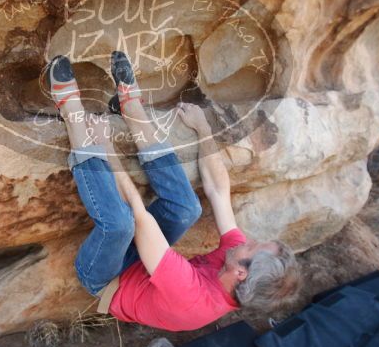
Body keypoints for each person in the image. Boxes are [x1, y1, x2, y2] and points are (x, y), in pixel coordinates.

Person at [47, 51, 301, 331]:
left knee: (121, 224)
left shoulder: (193, 298)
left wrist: (105, 146)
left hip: (107, 277)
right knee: (188, 209)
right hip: (147, 262)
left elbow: (138, 212)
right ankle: (131, 107)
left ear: (240, 273)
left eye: (251, 246)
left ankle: (72, 114)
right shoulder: (237, 262)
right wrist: (203, 128)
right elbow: (218, 190)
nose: (246, 240)